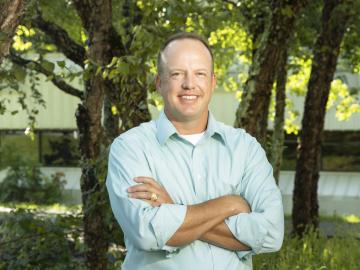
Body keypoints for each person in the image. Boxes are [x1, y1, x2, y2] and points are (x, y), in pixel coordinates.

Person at [106, 32, 284, 270]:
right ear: (159, 83)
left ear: (212, 82)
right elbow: (147, 233)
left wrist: (174, 212)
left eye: (199, 73)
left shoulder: (245, 148)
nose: (189, 84)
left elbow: (272, 234)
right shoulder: (129, 148)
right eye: (177, 74)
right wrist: (230, 204)